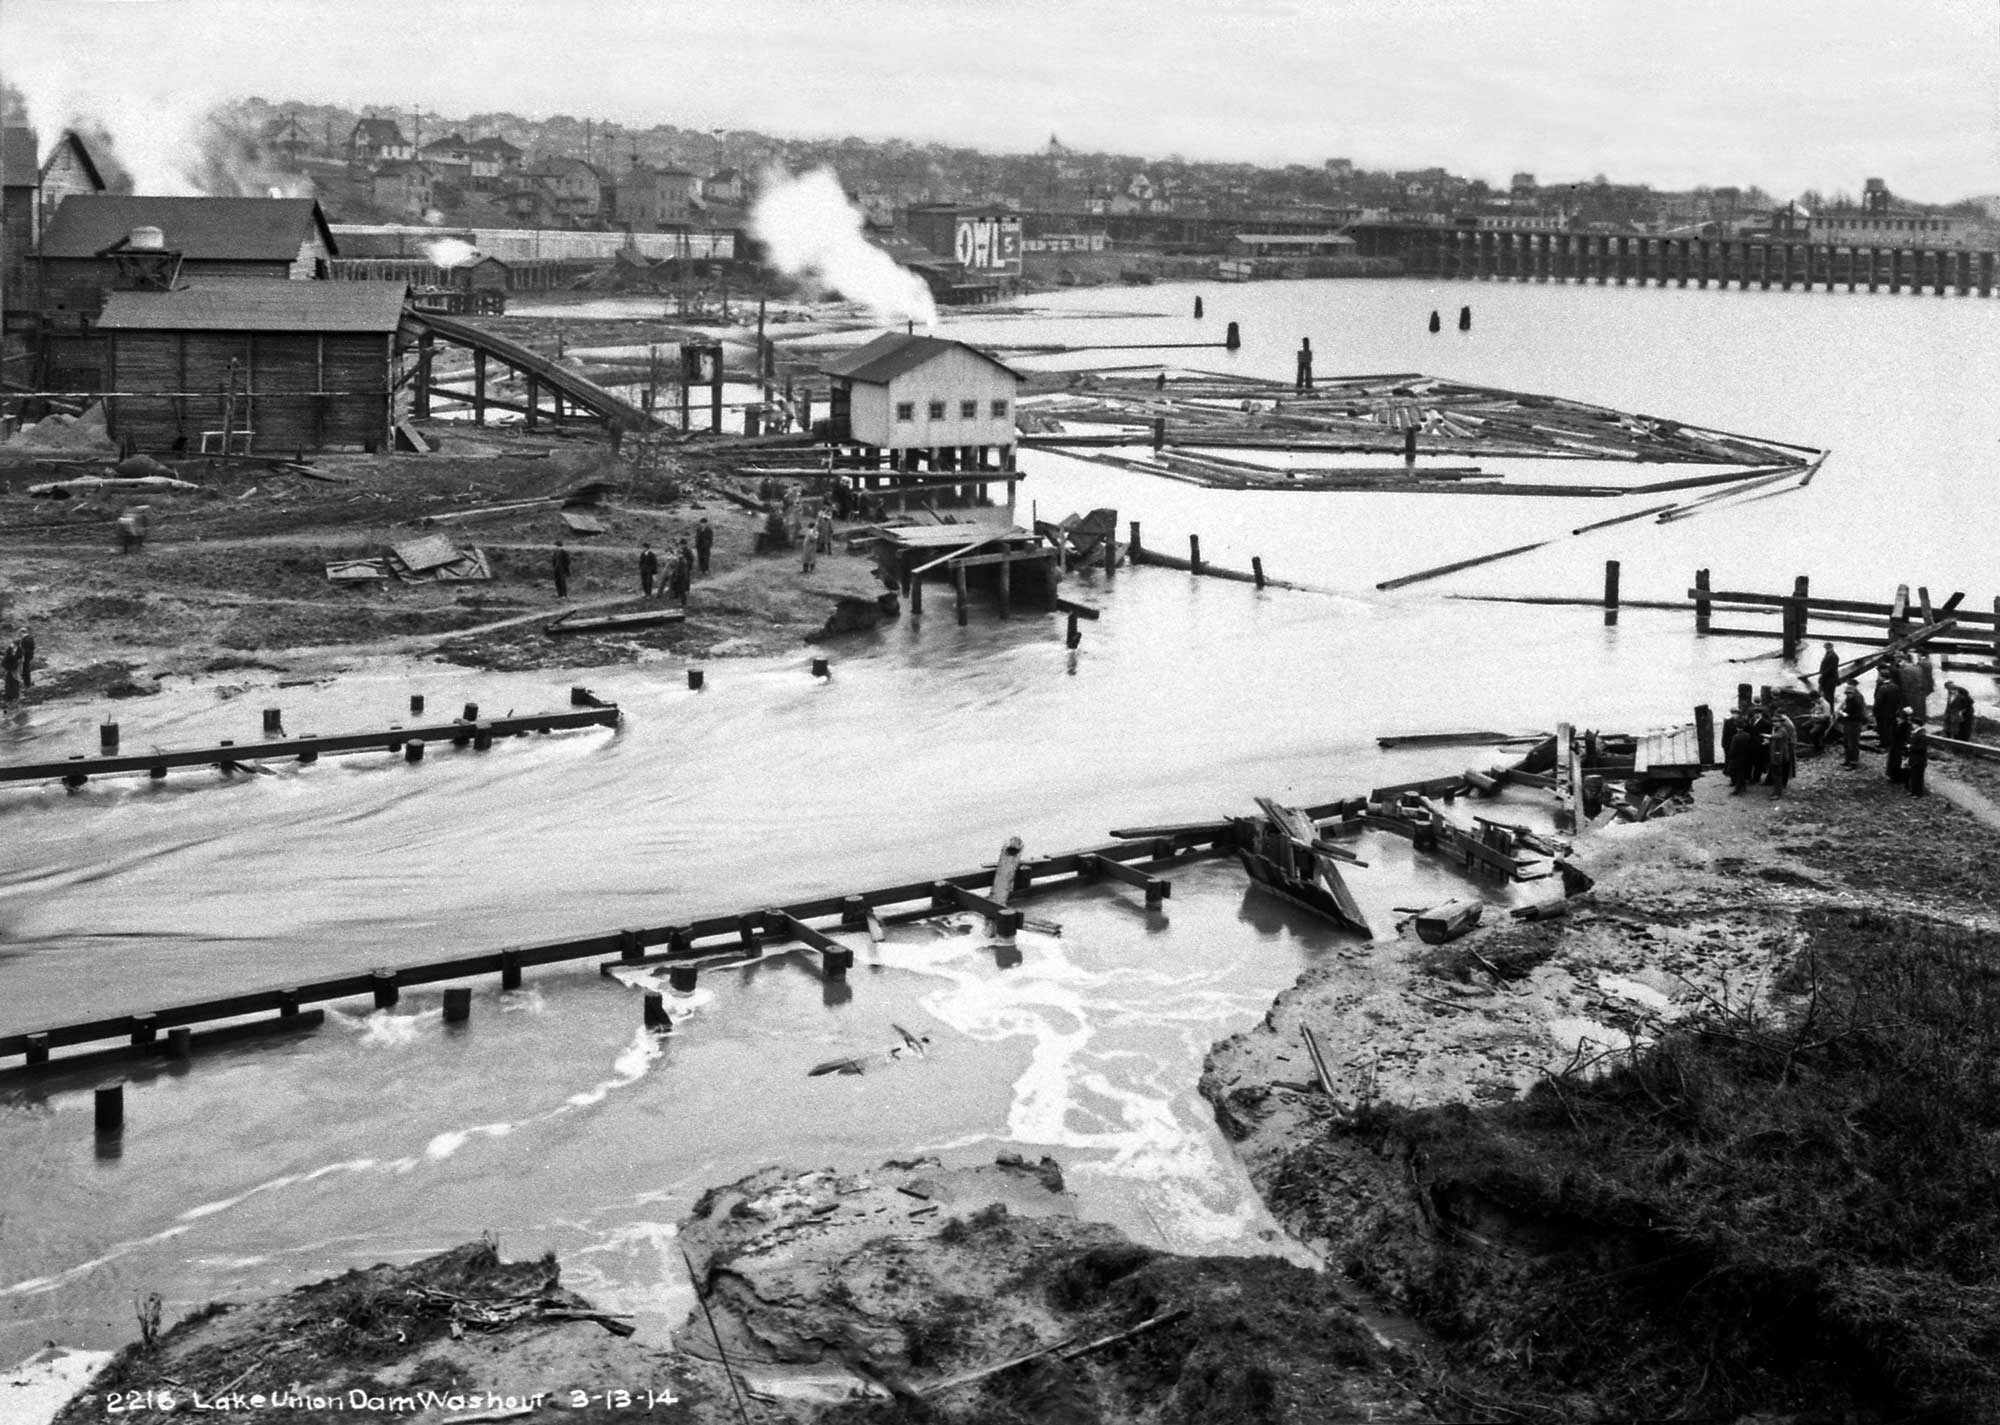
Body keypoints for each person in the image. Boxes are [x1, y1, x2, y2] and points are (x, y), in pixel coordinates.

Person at [1767, 712, 1797, 796]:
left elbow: (1777, 736)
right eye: (1774, 722)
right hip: (1776, 756)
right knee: (1775, 775)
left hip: (1779, 756)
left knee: (1777, 775)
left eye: (1777, 722)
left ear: (1781, 722)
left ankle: (1777, 793)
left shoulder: (1782, 730)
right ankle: (1776, 792)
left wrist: (1768, 736)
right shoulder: (1777, 729)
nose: (1774, 723)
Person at [1840, 681, 1868, 767]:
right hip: (1848, 723)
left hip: (1855, 723)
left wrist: (1847, 715)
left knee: (1853, 744)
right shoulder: (1848, 699)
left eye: (1849, 693)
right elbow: (1846, 708)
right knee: (1846, 742)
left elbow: (1860, 715)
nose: (1848, 695)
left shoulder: (1858, 701)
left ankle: (1854, 762)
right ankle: (1847, 759)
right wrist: (1843, 711)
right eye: (1847, 693)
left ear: (1853, 693)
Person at [1726, 716, 1757, 794]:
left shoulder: (1735, 737)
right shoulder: (1748, 735)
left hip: (1737, 758)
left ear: (1737, 728)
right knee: (1742, 772)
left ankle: (1737, 789)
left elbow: (1732, 749)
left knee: (1737, 773)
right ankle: (1743, 786)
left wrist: (1730, 757)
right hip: (1746, 757)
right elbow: (1751, 746)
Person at [1872, 667, 1903, 744]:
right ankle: (1890, 741)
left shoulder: (1882, 688)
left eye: (1879, 676)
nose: (1878, 678)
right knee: (1890, 727)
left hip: (1882, 713)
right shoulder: (1895, 686)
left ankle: (1883, 742)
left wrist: (1874, 711)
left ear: (1883, 677)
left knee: (1882, 728)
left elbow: (1878, 702)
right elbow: (1899, 699)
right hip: (1892, 711)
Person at [1905, 720, 1930, 796]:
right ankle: (1913, 791)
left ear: (1917, 725)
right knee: (1913, 775)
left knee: (1918, 776)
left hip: (1919, 759)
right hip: (1914, 757)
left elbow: (1921, 748)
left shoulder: (1922, 734)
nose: (1912, 725)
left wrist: (1910, 746)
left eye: (1913, 723)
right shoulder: (1917, 733)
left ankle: (1918, 793)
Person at [1885, 708, 1910, 783]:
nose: (1898, 719)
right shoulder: (1895, 724)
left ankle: (1898, 778)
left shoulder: (1906, 726)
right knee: (1892, 761)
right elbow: (1891, 733)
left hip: (1900, 746)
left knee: (1898, 762)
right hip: (1894, 745)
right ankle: (1891, 775)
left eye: (1900, 718)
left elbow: (1905, 737)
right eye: (1898, 717)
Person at [1909, 653, 1935, 723]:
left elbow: (1918, 673)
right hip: (1927, 684)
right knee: (1923, 702)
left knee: (1919, 703)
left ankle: (1919, 717)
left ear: (1919, 655)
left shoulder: (1920, 663)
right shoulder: (1928, 662)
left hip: (1921, 685)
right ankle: (1923, 717)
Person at [1817, 642, 1841, 709]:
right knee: (1825, 695)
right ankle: (1826, 709)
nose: (1826, 649)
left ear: (1831, 648)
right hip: (1826, 678)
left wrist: (1822, 675)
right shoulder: (1828, 654)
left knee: (1829, 696)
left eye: (1827, 648)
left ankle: (1830, 710)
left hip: (1830, 679)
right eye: (1826, 648)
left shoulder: (1834, 657)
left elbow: (1831, 669)